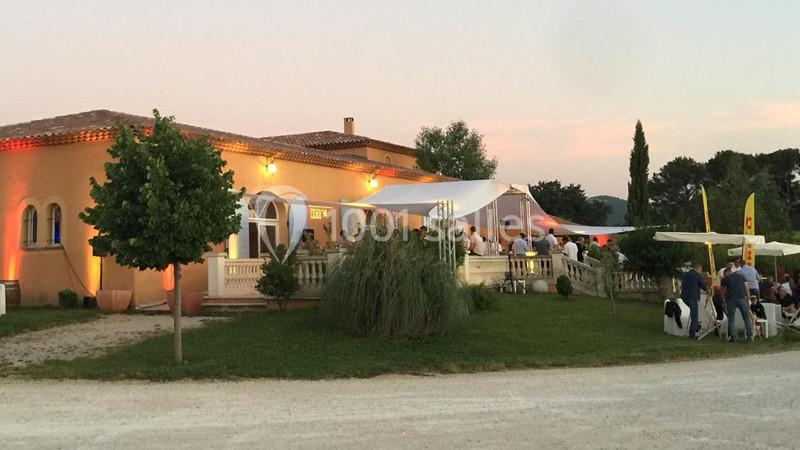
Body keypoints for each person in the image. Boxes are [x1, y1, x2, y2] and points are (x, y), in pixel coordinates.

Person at [721, 268, 753, 342]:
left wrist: (723, 300)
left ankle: (733, 337)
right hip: (742, 298)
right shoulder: (741, 276)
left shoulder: (725, 279)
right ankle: (749, 336)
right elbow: (746, 288)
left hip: (731, 299)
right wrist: (748, 299)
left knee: (731, 319)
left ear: (726, 273)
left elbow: (722, 290)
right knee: (746, 318)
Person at [680, 263, 708, 340]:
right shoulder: (696, 275)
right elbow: (702, 284)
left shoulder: (685, 274)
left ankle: (696, 326)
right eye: (700, 270)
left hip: (684, 296)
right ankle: (692, 334)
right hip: (693, 297)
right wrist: (707, 290)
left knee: (694, 313)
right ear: (698, 269)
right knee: (694, 316)